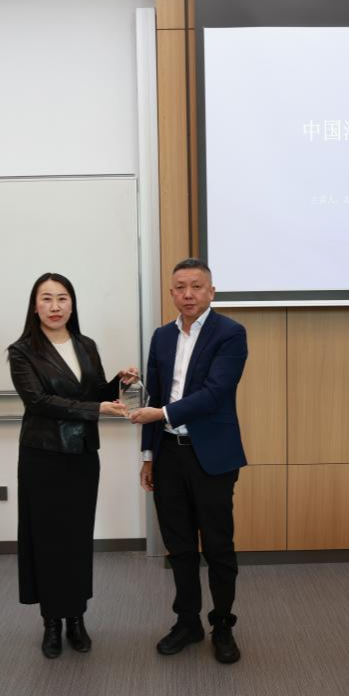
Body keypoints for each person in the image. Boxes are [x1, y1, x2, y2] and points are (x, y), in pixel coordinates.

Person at [8, 272, 137, 659]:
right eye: (46, 298)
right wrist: (96, 409)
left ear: (72, 304)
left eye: (62, 298)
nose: (55, 306)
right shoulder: (22, 351)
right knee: (47, 540)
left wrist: (119, 384)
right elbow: (39, 402)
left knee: (78, 538)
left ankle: (77, 618)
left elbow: (93, 393)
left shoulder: (86, 345)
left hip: (82, 455)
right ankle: (51, 622)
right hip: (43, 455)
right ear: (35, 306)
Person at [130, 258, 248, 664]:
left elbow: (216, 393)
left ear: (211, 291)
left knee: (218, 546)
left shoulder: (230, 334)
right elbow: (153, 395)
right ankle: (187, 622)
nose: (188, 294)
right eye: (180, 287)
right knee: (179, 547)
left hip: (211, 456)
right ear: (171, 293)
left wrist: (162, 413)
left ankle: (223, 625)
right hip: (168, 456)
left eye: (197, 286)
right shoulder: (162, 336)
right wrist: (148, 455)